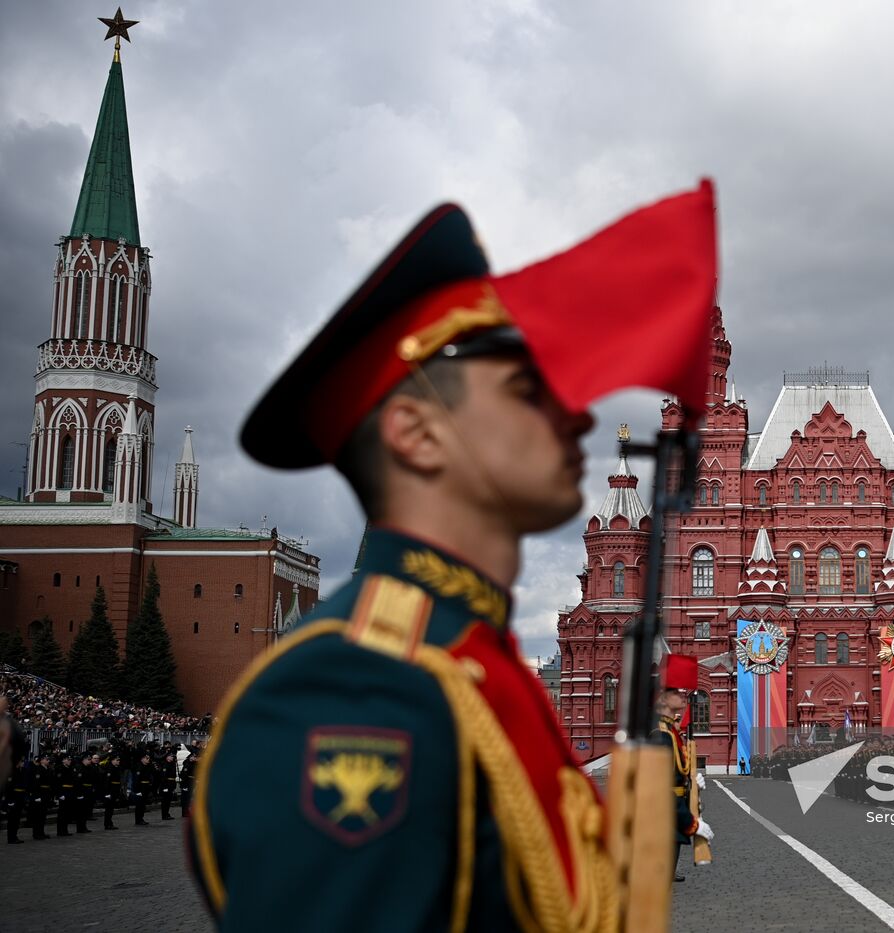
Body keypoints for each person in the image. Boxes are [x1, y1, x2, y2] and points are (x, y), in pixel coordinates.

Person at [189, 183, 717, 932]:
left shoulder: (476, 663)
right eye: (525, 387)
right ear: (417, 432)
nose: (575, 410)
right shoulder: (360, 692)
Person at [650, 654, 714, 884]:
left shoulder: (669, 733)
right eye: (676, 692)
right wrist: (692, 823)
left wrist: (690, 780)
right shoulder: (661, 735)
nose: (683, 695)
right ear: (662, 699)